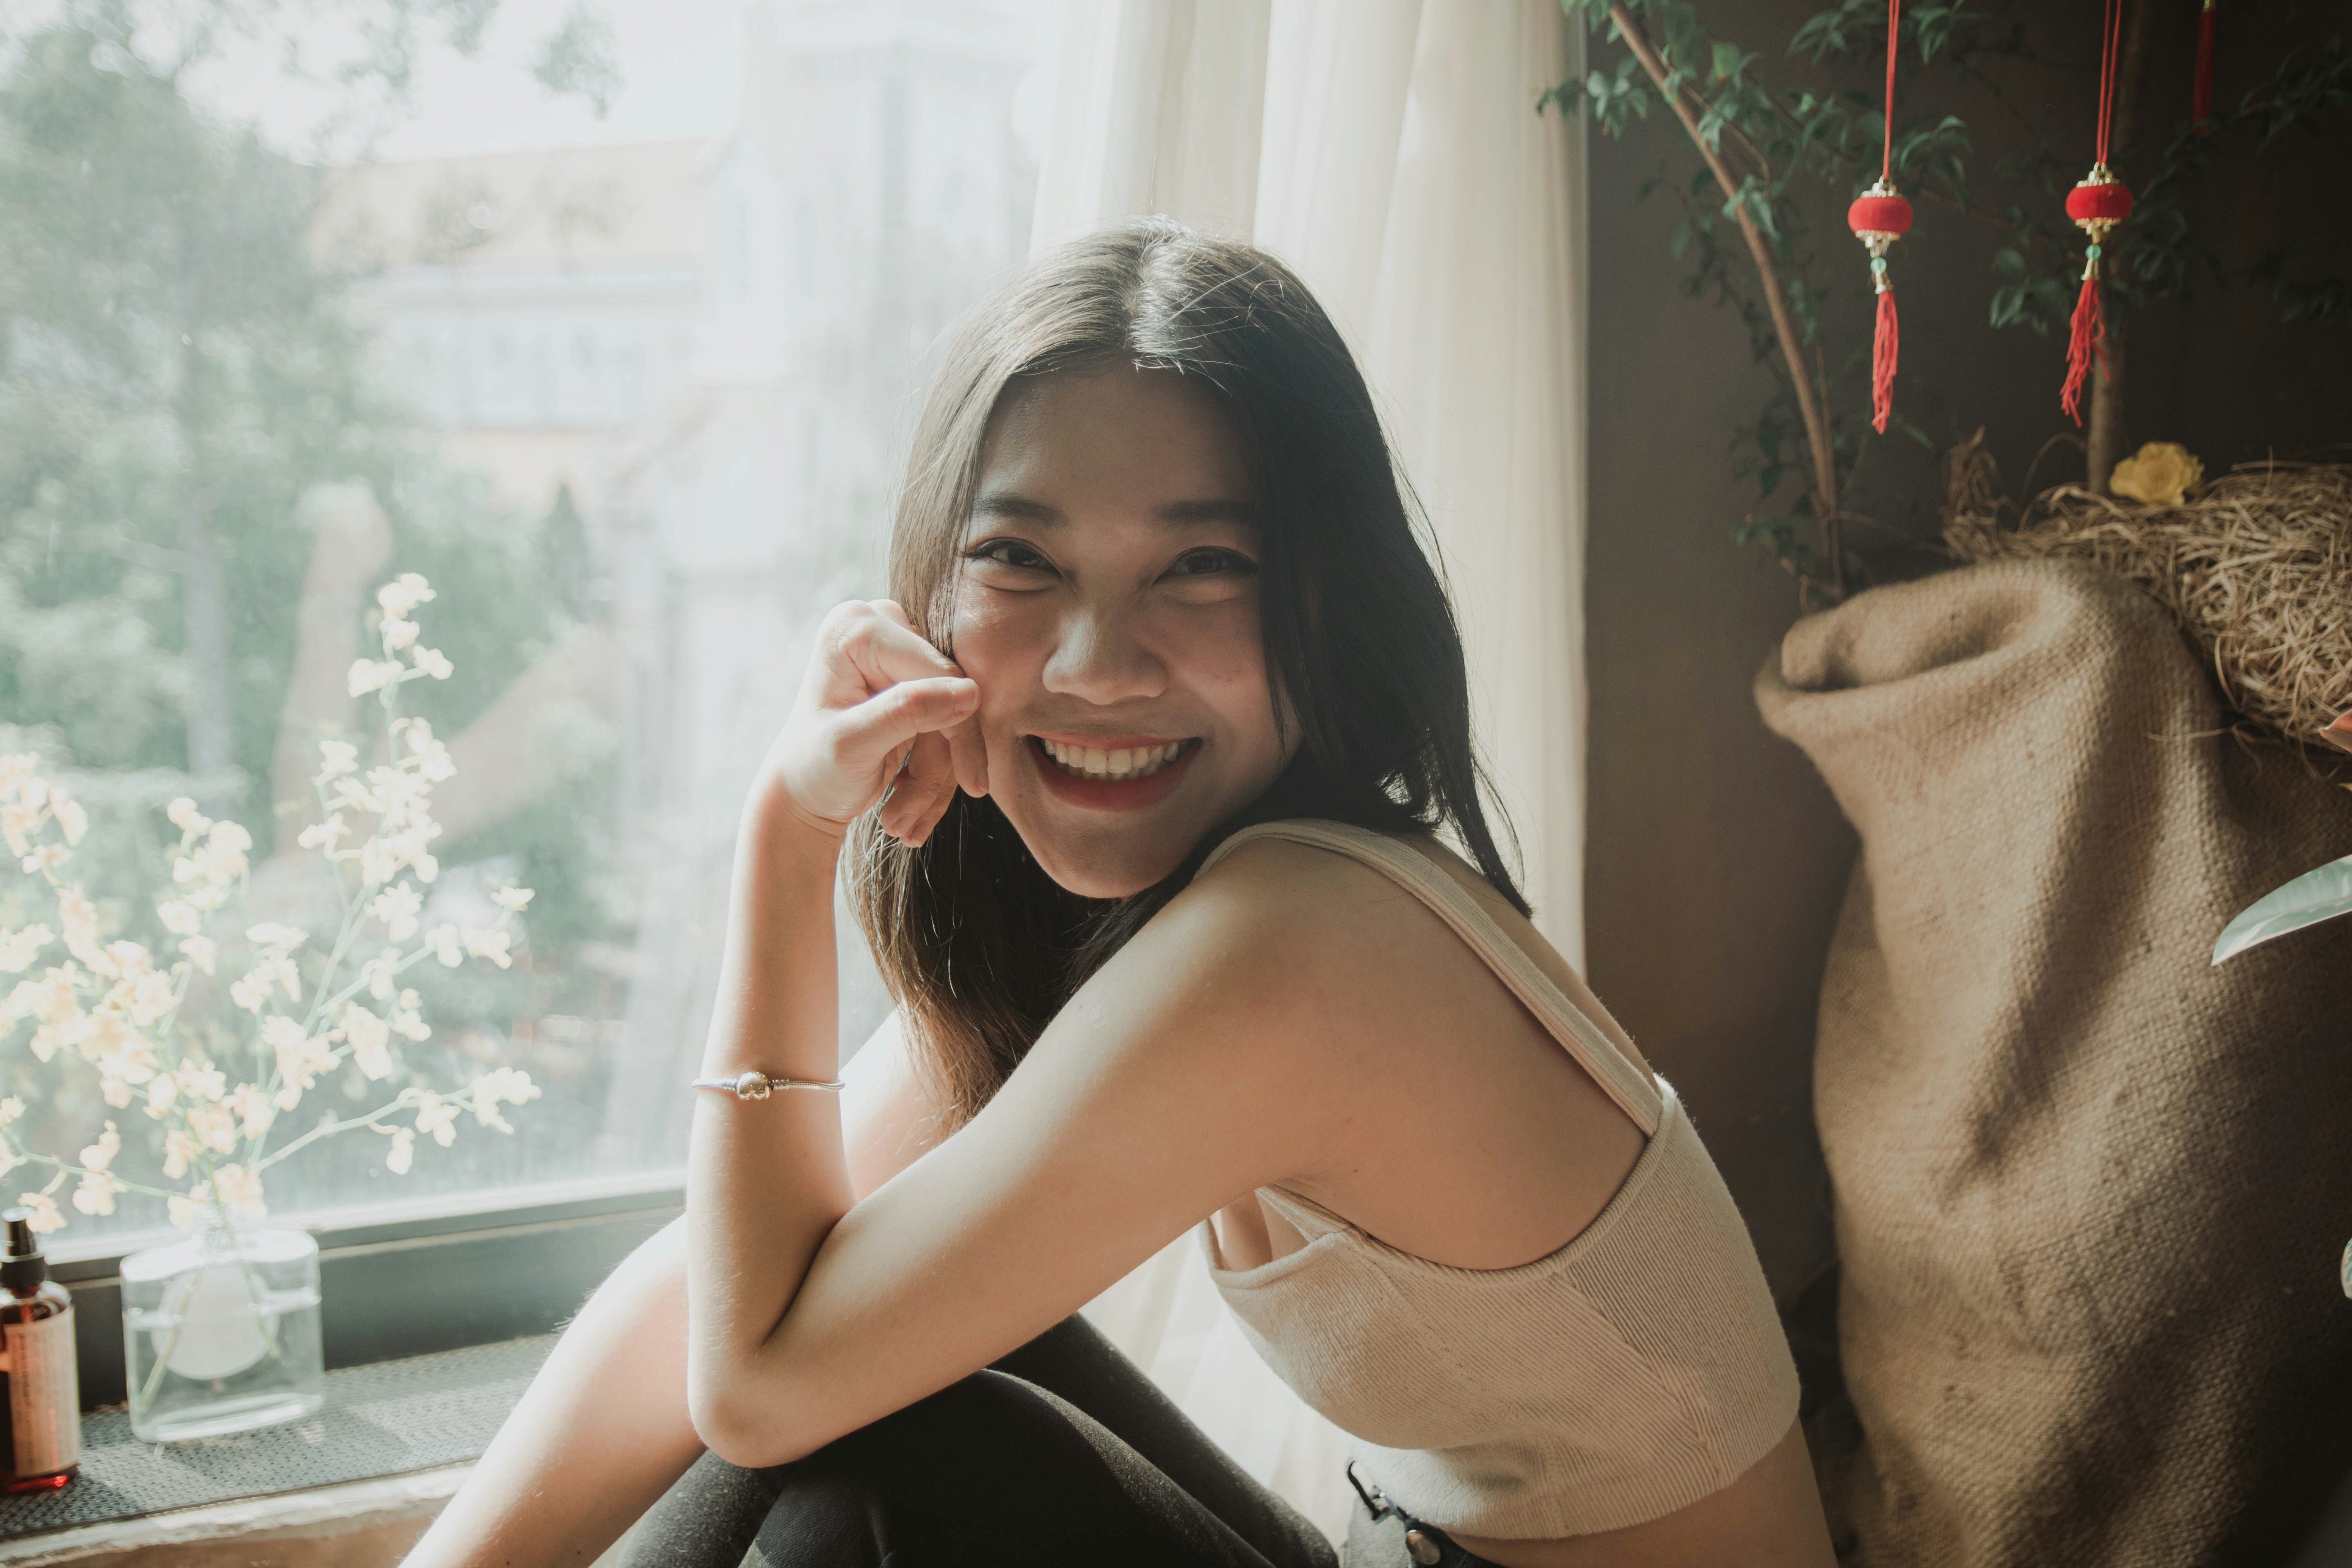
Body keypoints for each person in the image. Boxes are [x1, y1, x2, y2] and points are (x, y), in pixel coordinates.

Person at [404, 218, 1835, 1568]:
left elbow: (759, 1388)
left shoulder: (1300, 949)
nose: (1098, 663)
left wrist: (783, 839)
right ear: (936, 596)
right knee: (875, 1321)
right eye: (1021, 558)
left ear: (1324, 598)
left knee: (876, 1430)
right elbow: (711, 1302)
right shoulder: (1175, 901)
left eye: (1202, 566)